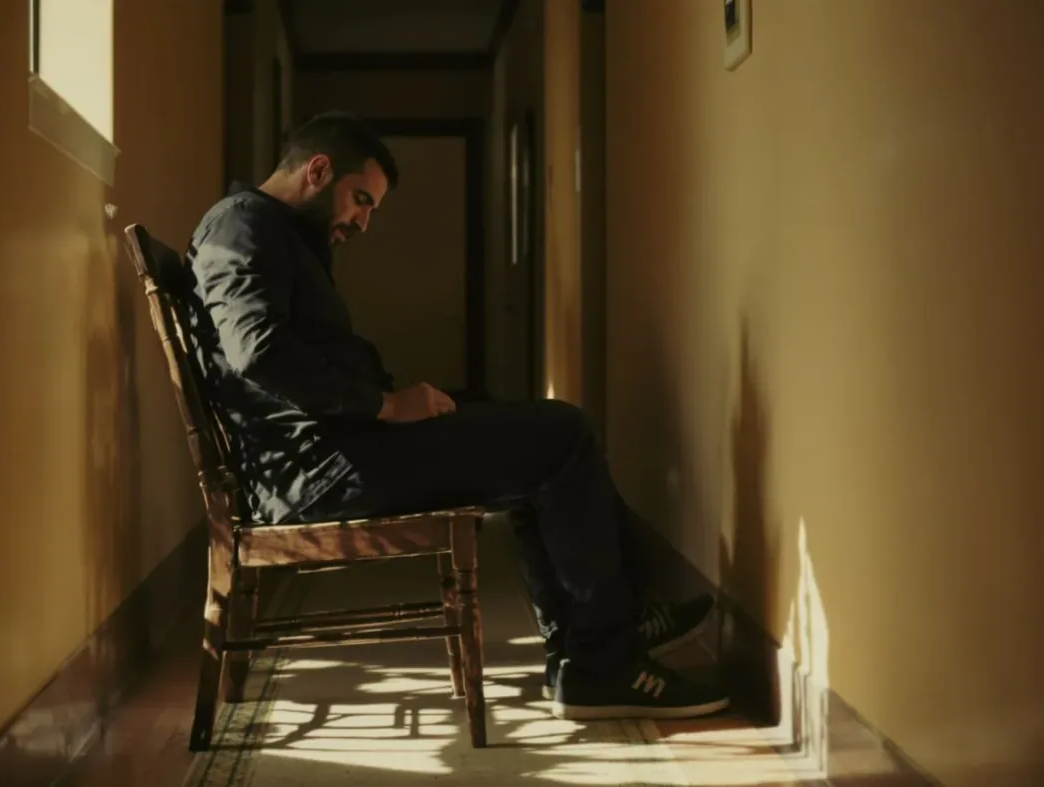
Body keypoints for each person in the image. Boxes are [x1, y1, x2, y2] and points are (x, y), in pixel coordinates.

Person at [181, 111, 730, 721]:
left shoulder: (271, 230)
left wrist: (394, 404)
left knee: (529, 436)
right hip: (319, 469)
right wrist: (387, 406)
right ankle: (604, 656)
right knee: (562, 434)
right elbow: (257, 351)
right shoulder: (243, 225)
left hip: (332, 453)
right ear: (318, 171)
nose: (363, 221)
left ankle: (595, 642)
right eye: (361, 200)